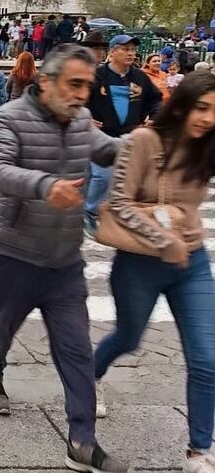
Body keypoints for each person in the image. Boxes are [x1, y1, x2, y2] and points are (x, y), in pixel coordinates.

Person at [0, 44, 128, 473]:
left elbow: (107, 150)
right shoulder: (8, 118)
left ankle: (82, 441)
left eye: (88, 86)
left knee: (76, 349)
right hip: (13, 254)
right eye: (74, 84)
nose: (82, 94)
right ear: (46, 81)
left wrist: (148, 145)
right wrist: (46, 186)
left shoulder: (82, 120)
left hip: (64, 262)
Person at [93, 71, 215, 473]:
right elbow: (120, 204)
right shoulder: (142, 141)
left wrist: (180, 243)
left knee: (207, 358)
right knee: (128, 338)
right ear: (181, 105)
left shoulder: (208, 148)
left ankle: (199, 451)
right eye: (202, 108)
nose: (208, 118)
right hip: (140, 263)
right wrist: (165, 240)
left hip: (191, 262)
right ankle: (88, 378)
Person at [84, 35, 162, 232]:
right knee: (103, 175)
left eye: (132, 50)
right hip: (102, 134)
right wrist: (84, 117)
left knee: (128, 177)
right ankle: (90, 211)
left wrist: (154, 117)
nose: (130, 53)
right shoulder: (96, 75)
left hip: (130, 134)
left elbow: (155, 99)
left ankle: (116, 213)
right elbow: (79, 98)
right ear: (112, 52)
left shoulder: (139, 77)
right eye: (125, 49)